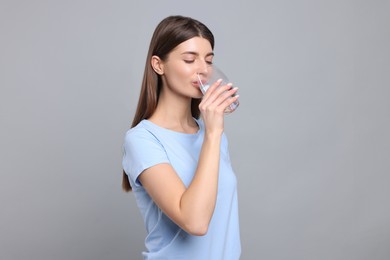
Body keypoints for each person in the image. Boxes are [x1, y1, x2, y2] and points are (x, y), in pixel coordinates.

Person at [122, 15, 241, 259]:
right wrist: (214, 133)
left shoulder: (210, 132)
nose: (203, 70)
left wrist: (212, 133)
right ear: (158, 65)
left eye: (208, 61)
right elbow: (195, 222)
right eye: (189, 59)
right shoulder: (142, 140)